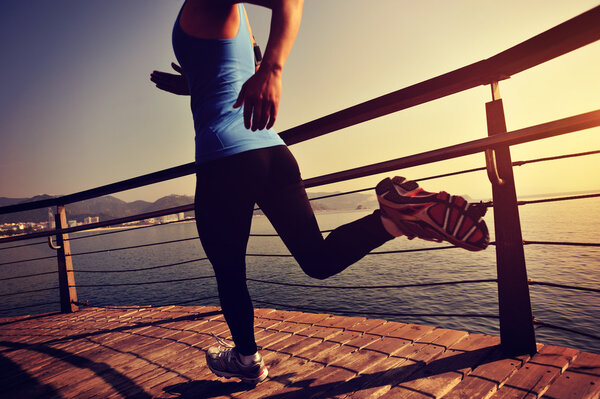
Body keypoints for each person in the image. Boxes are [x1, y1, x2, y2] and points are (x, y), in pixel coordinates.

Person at [151, 0, 489, 385]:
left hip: (222, 159)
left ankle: (246, 359)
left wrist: (274, 70)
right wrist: (193, 82)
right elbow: (230, 70)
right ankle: (395, 220)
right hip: (272, 153)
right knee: (318, 260)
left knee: (230, 273)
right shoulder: (229, 17)